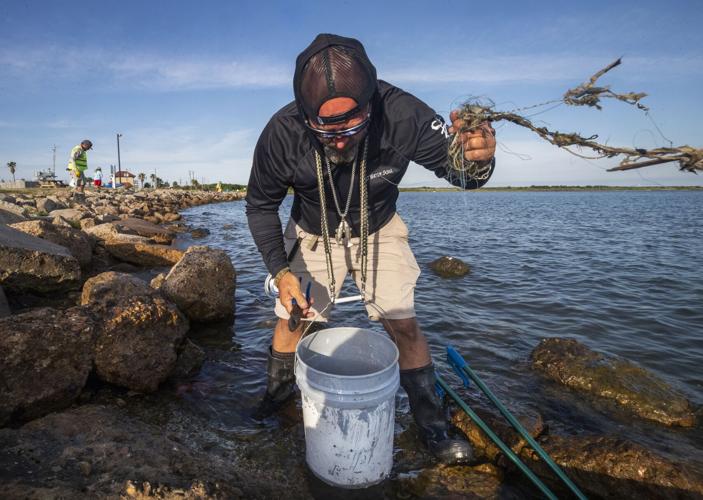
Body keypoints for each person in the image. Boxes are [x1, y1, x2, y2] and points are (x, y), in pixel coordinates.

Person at [245, 34, 496, 465]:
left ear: (370, 103)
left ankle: (431, 424)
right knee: (293, 319)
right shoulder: (281, 133)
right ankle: (277, 400)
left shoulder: (403, 114)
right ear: (305, 115)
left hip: (378, 226)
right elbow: (260, 206)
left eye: (352, 125)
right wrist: (282, 274)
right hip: (312, 230)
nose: (340, 139)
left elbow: (466, 177)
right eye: (327, 129)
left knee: (403, 324)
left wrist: (479, 158)